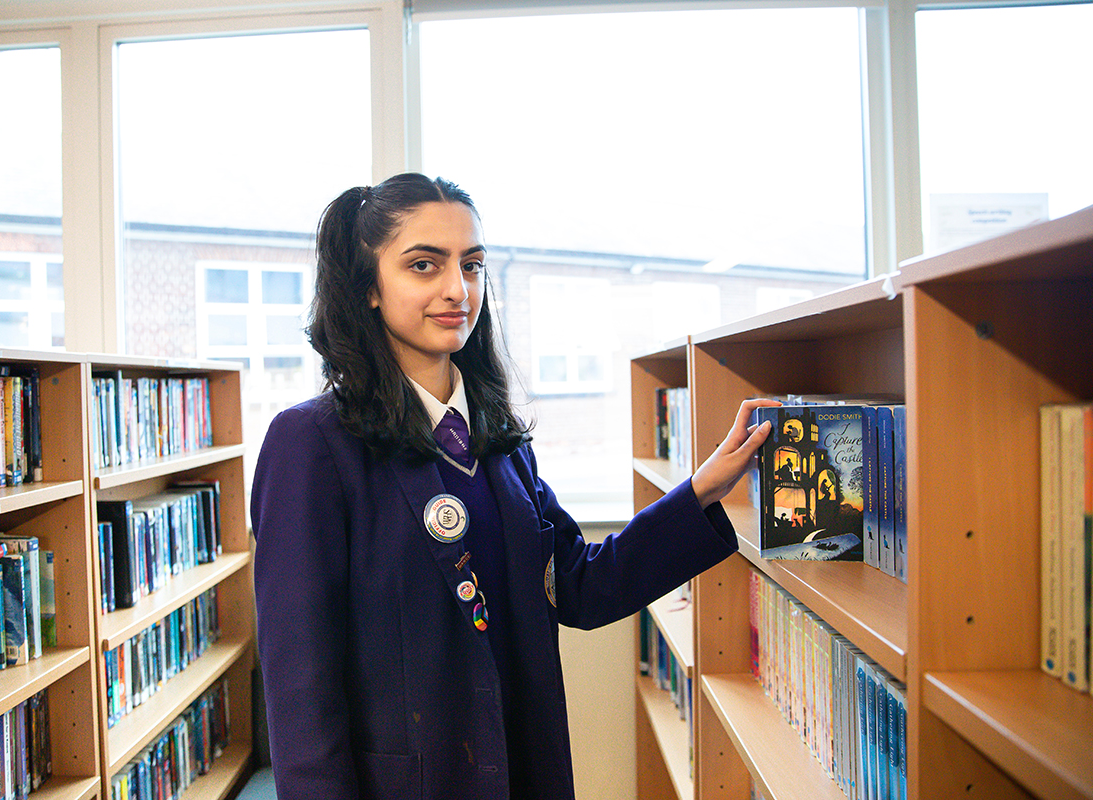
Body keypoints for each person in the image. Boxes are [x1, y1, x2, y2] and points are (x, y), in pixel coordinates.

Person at [251, 172, 776, 800]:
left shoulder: (500, 447)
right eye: (424, 265)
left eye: (471, 266)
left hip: (526, 774)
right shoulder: (313, 445)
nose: (457, 290)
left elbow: (580, 587)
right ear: (368, 287)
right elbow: (301, 692)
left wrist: (701, 492)